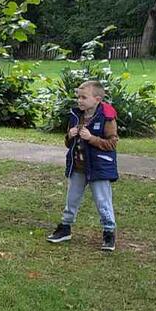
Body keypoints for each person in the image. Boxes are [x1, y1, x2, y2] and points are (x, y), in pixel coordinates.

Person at [46, 80, 119, 251]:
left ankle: (109, 231)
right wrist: (69, 135)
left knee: (102, 200)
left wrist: (91, 138)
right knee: (71, 198)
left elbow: (112, 143)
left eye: (84, 97)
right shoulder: (76, 115)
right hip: (77, 166)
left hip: (98, 167)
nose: (79, 101)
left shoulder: (107, 117)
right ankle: (65, 227)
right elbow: (68, 143)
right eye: (78, 97)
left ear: (97, 99)